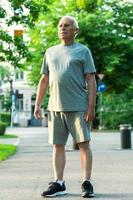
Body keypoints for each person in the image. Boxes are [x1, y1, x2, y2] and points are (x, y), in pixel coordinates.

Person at [34, 15, 96, 198]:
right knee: (57, 145)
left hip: (78, 106)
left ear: (75, 30)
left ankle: (87, 182)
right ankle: (59, 183)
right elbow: (44, 79)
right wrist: (38, 103)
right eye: (60, 25)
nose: (62, 28)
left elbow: (91, 79)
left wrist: (91, 106)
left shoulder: (83, 51)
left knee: (84, 144)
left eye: (67, 25)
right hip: (55, 107)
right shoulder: (50, 51)